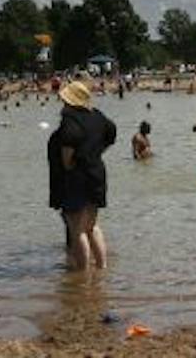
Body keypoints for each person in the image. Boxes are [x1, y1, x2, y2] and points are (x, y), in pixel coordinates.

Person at [48, 79, 116, 272]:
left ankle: (82, 274)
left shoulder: (70, 121)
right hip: (97, 174)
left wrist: (75, 162)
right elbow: (111, 134)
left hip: (77, 178)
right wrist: (94, 153)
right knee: (92, 226)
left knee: (77, 229)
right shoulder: (98, 116)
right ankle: (102, 268)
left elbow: (67, 159)